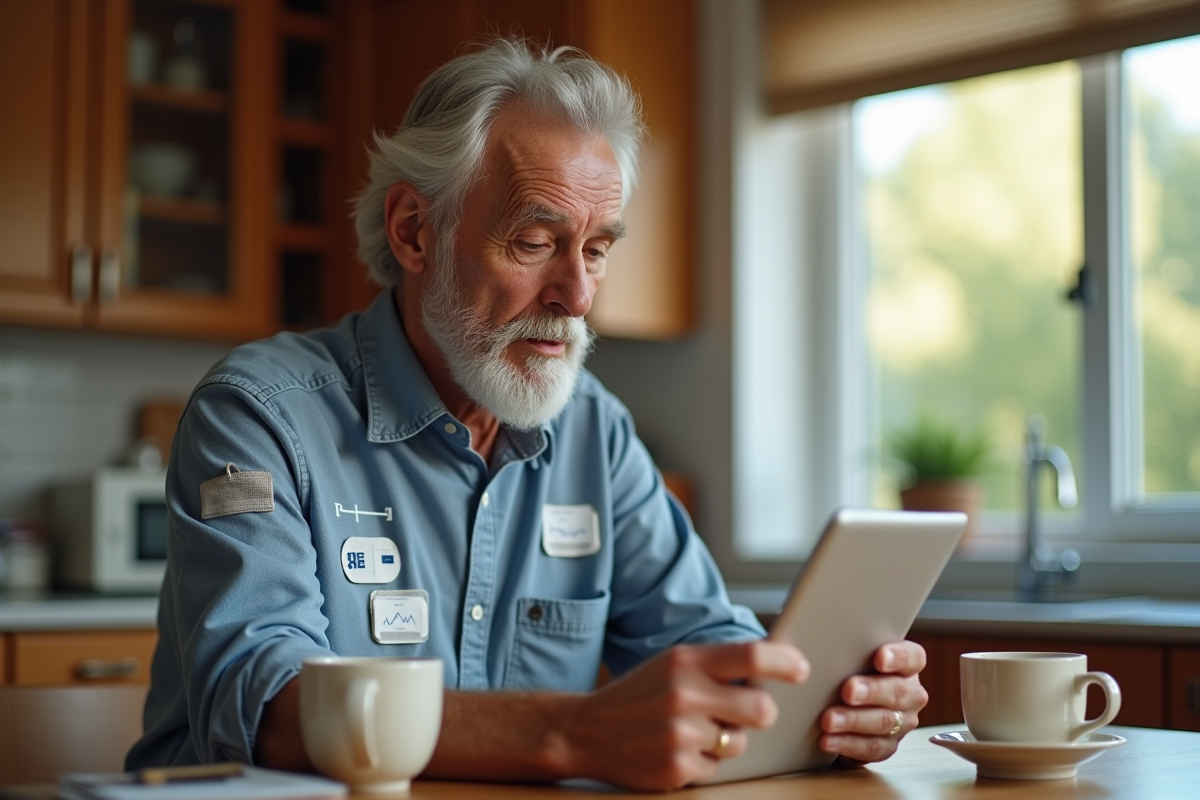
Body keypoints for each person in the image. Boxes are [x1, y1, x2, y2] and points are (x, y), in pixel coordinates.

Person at [126, 38, 928, 791]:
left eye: (598, 248)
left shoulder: (594, 432)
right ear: (415, 231)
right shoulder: (257, 416)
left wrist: (825, 707)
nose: (577, 296)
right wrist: (572, 734)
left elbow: (709, 652)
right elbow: (262, 705)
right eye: (537, 240)